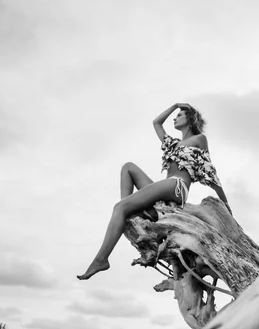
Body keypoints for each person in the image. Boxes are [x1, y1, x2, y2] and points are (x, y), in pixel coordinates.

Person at [77, 103, 230, 280]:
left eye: (180, 115)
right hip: (166, 186)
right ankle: (130, 212)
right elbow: (157, 123)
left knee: (119, 207)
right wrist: (175, 106)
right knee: (128, 167)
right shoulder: (173, 144)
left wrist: (225, 204)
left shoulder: (199, 139)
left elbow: (210, 172)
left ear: (190, 119)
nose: (175, 117)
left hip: (177, 187)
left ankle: (101, 259)